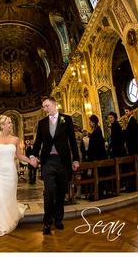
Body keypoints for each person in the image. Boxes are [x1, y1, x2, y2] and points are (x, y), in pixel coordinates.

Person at [32, 96, 80, 235]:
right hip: (48, 161)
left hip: (63, 161)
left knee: (60, 192)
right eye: (43, 106)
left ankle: (58, 219)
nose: (44, 108)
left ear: (54, 104)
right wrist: (33, 155)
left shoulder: (66, 119)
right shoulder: (42, 123)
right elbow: (38, 142)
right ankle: (47, 222)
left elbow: (72, 141)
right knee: (49, 191)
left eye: (46, 105)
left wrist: (75, 159)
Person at [0, 115, 37, 236]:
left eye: (11, 123)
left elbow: (20, 156)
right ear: (2, 126)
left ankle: (8, 220)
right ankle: (0, 225)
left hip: (10, 173)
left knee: (8, 197)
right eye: (9, 123)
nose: (11, 124)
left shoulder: (15, 139)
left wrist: (30, 161)